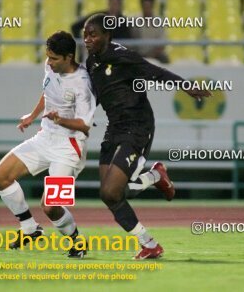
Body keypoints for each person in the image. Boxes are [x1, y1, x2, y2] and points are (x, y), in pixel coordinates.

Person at [83, 14, 211, 259]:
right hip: (114, 129)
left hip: (137, 127)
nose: (87, 39)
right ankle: (155, 180)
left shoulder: (122, 56)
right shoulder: (91, 63)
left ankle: (149, 241)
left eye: (93, 34)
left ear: (107, 35)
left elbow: (155, 72)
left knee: (111, 192)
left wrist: (186, 86)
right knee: (111, 195)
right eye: (85, 34)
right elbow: (99, 95)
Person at [0, 31, 96, 258]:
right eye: (48, 56)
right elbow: (48, 93)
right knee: (0, 176)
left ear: (69, 57)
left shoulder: (82, 84)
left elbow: (85, 125)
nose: (49, 62)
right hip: (44, 138)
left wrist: (61, 119)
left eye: (54, 58)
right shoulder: (51, 67)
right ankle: (29, 228)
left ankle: (77, 240)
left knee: (50, 206)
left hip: (69, 147)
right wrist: (32, 115)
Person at [131, 0, 169, 64]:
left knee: (165, 59)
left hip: (155, 54)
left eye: (149, 6)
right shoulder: (134, 20)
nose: (147, 8)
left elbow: (162, 44)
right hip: (139, 53)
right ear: (141, 6)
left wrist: (151, 55)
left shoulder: (159, 21)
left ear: (152, 6)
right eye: (145, 6)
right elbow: (131, 40)